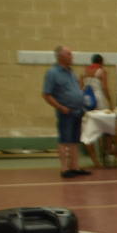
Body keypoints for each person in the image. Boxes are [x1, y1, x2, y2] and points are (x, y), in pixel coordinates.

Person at [42, 45, 89, 179]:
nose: (71, 56)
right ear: (60, 56)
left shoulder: (71, 72)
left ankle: (75, 166)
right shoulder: (52, 73)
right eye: (69, 54)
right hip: (65, 111)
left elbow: (75, 89)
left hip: (77, 110)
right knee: (64, 140)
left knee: (75, 140)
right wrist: (60, 107)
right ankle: (64, 168)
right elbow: (46, 94)